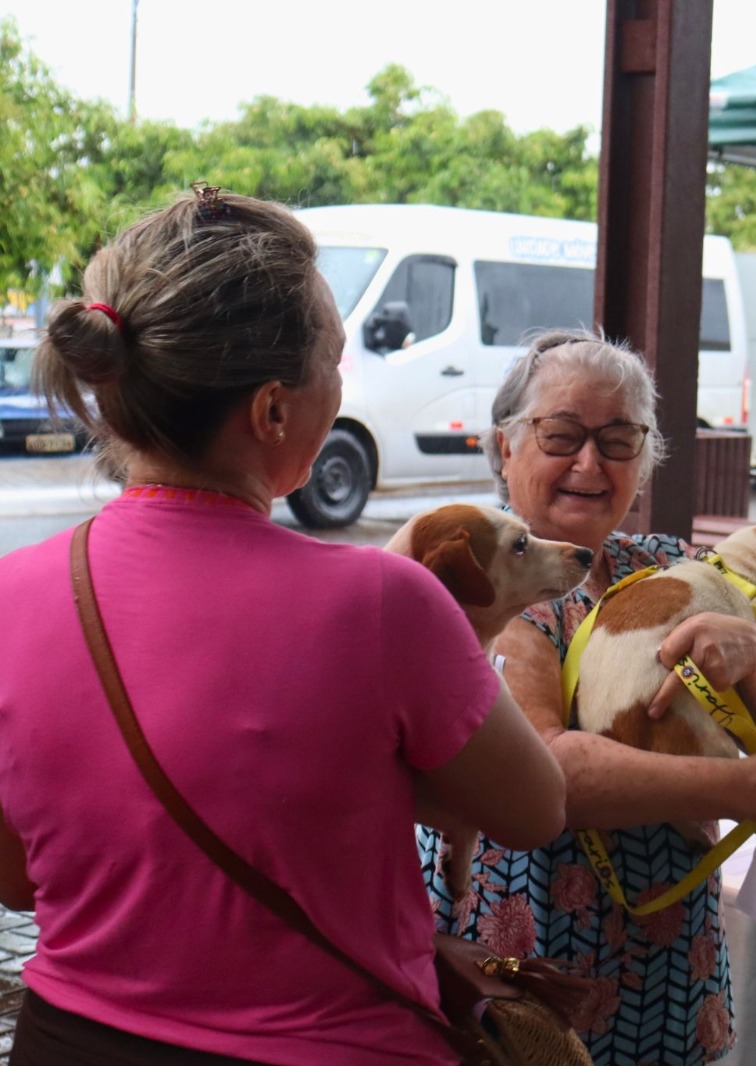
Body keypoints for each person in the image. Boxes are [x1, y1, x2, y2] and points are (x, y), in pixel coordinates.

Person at [0, 189, 565, 1065]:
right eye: (335, 360)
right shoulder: (384, 603)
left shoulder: (11, 593)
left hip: (71, 1041)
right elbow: (535, 808)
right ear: (272, 411)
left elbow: (15, 879)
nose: (343, 387)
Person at [418, 330, 756, 1065]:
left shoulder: (676, 567)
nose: (590, 462)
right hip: (526, 966)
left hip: (672, 969)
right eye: (561, 435)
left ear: (644, 459)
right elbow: (551, 771)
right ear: (505, 446)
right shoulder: (477, 579)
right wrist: (748, 787)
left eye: (619, 439)